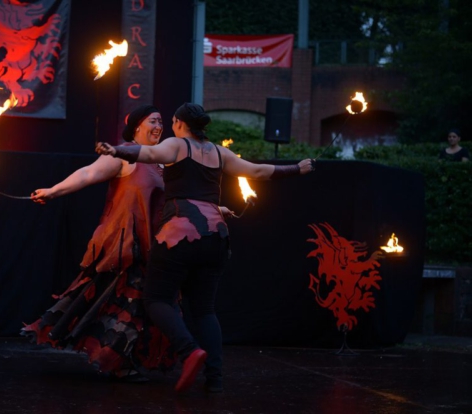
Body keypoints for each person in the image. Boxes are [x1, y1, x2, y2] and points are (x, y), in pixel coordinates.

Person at [96, 102, 314, 393]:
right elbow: (259, 171)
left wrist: (117, 150)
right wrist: (297, 168)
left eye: (171, 122)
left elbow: (147, 153)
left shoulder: (176, 145)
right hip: (216, 237)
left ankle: (189, 351)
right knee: (204, 310)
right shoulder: (219, 153)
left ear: (179, 123)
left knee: (157, 300)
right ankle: (215, 379)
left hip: (179, 233)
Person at [21, 105, 173, 382]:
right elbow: (88, 174)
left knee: (136, 303)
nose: (159, 126)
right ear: (137, 126)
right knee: (126, 299)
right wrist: (53, 191)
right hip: (124, 243)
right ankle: (112, 360)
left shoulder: (164, 162)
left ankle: (120, 358)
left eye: (161, 122)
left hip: (154, 247)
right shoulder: (124, 155)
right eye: (153, 121)